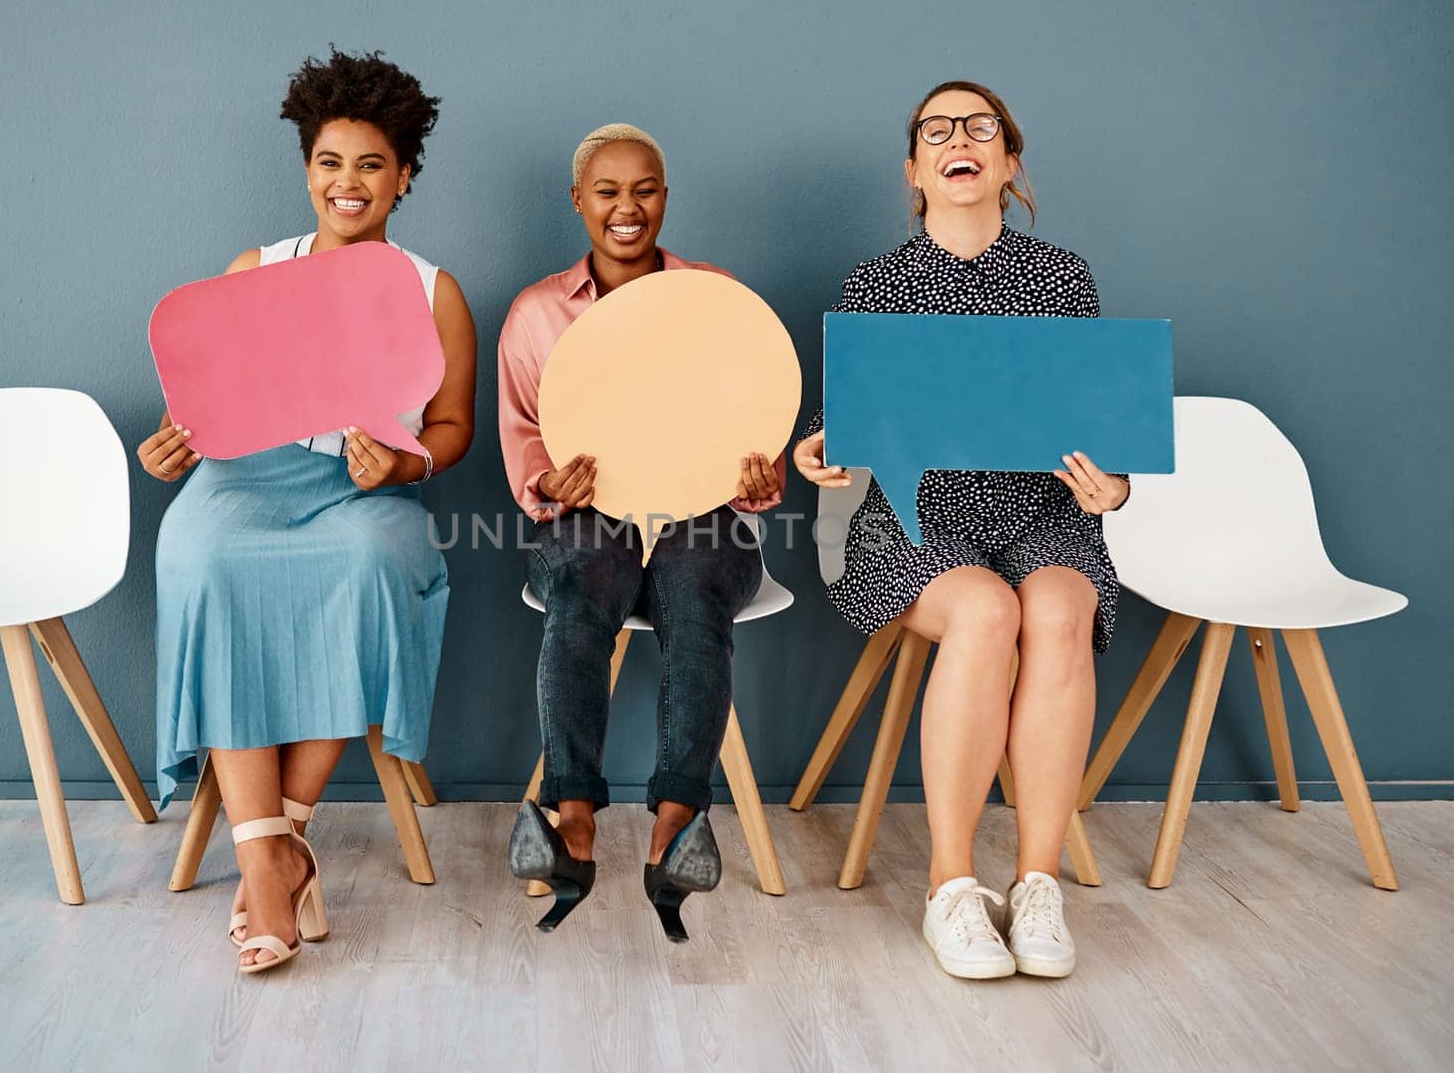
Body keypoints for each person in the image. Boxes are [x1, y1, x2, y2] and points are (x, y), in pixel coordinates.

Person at [138, 49, 476, 974]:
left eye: (371, 164)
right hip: (247, 480)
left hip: (367, 494)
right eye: (331, 163)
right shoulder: (256, 268)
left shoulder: (433, 290)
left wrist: (405, 461)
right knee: (203, 558)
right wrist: (174, 443)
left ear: (404, 176)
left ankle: (277, 853)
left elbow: (452, 431)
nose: (348, 183)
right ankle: (271, 860)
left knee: (368, 568)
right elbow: (208, 407)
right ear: (307, 170)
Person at [794, 81, 1130, 980]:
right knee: (986, 614)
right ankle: (951, 889)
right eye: (936, 129)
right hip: (912, 524)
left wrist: (1115, 485)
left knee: (1056, 613)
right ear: (915, 168)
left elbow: (1098, 421)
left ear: (1007, 160)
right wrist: (821, 454)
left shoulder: (1062, 278)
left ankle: (1035, 885)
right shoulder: (875, 284)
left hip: (1040, 515)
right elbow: (846, 429)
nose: (959, 139)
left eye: (980, 128)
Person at [497, 123, 788, 942]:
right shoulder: (537, 314)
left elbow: (758, 419)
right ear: (578, 201)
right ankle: (577, 819)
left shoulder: (715, 295)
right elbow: (523, 436)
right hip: (593, 516)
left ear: (666, 194)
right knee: (585, 578)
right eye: (608, 191)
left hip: (704, 516)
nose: (628, 208)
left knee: (696, 586)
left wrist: (758, 481)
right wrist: (550, 484)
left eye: (646, 189)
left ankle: (674, 828)